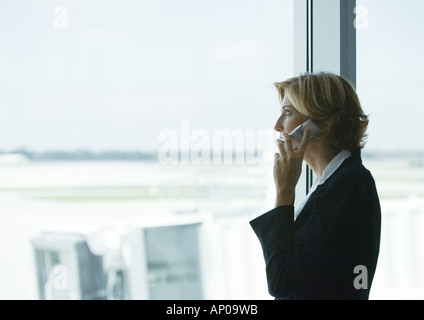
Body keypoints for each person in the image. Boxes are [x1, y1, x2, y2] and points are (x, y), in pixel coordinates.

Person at [250, 72, 381, 300]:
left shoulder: (349, 184)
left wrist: (284, 190)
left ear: (321, 122)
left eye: (288, 113)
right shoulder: (331, 183)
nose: (277, 126)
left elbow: (282, 281)